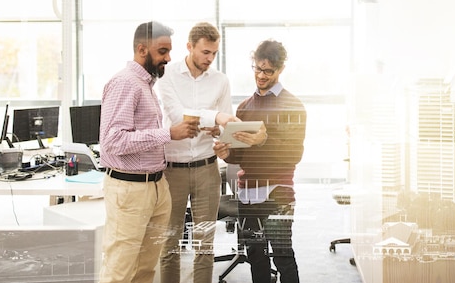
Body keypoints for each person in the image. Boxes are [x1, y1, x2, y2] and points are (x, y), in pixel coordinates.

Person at [98, 21, 200, 283]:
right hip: (130, 190)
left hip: (154, 187)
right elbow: (113, 141)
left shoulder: (146, 85)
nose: (168, 57)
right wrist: (168, 134)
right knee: (119, 270)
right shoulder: (125, 83)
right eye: (163, 51)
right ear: (142, 50)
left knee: (145, 268)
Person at [213, 39, 307, 283]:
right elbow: (241, 155)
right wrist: (227, 153)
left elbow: (294, 154)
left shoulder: (293, 106)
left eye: (268, 71)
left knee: (282, 255)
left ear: (280, 69)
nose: (261, 75)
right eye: (257, 68)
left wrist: (263, 141)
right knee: (256, 256)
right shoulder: (244, 107)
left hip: (278, 193)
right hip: (249, 193)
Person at [155, 22, 239, 283]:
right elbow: (178, 116)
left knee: (205, 246)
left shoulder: (220, 80)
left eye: (214, 53)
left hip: (207, 169)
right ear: (189, 47)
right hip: (172, 170)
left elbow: (222, 130)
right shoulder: (166, 74)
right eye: (205, 52)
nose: (210, 59)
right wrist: (217, 117)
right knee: (169, 245)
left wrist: (221, 135)